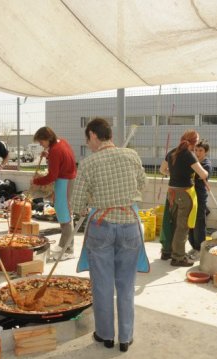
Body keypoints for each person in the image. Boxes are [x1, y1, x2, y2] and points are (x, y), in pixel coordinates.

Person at [73, 118, 149, 353]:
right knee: (126, 285)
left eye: (88, 139)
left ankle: (105, 335)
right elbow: (142, 184)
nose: (88, 143)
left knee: (103, 285)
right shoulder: (132, 155)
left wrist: (88, 204)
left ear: (94, 135)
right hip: (129, 226)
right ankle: (125, 337)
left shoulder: (88, 163)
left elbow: (77, 204)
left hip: (102, 227)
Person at [159, 130, 209, 267]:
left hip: (171, 193)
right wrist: (204, 171)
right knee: (183, 226)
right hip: (184, 194)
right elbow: (203, 174)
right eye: (197, 141)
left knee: (172, 223)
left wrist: (173, 173)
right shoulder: (189, 155)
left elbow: (162, 170)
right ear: (193, 142)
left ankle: (168, 251)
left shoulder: (172, 152)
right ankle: (178, 257)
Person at [32, 127, 76, 260]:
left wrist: (36, 181)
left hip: (64, 181)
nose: (41, 144)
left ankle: (66, 249)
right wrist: (48, 155)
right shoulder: (61, 142)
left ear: (47, 139)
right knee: (66, 214)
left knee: (65, 216)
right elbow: (60, 158)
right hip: (68, 180)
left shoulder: (56, 150)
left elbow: (52, 176)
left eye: (41, 142)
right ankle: (67, 246)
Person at [187, 139, 212, 260]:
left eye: (200, 150)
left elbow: (201, 175)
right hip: (190, 196)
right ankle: (193, 246)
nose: (197, 152)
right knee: (191, 223)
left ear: (206, 152)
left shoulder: (206, 164)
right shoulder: (194, 162)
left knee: (199, 223)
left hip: (199, 197)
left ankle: (200, 249)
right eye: (196, 150)